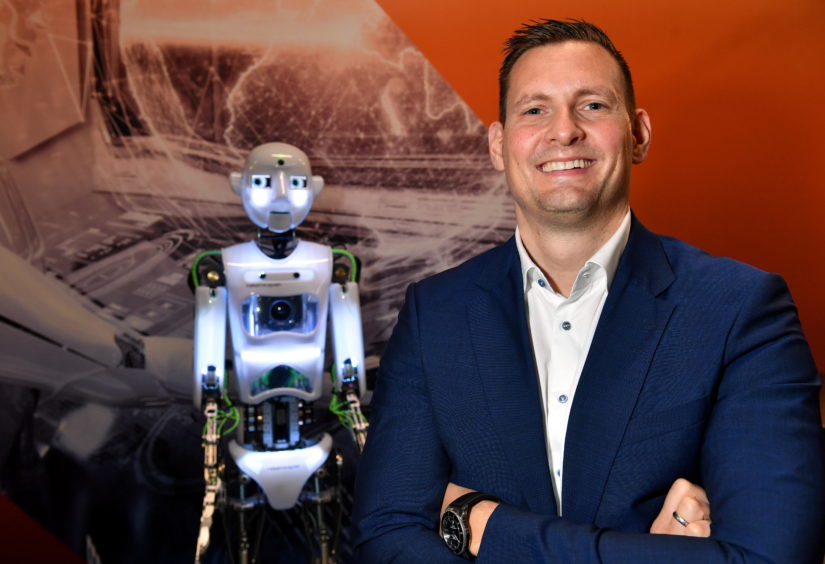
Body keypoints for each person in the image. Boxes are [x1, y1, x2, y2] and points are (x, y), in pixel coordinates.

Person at [351, 19, 825, 563]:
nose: (564, 131)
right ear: (499, 146)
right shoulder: (434, 313)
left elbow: (770, 558)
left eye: (593, 105)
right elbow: (385, 539)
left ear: (638, 134)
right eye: (535, 110)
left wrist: (480, 523)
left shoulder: (741, 310)